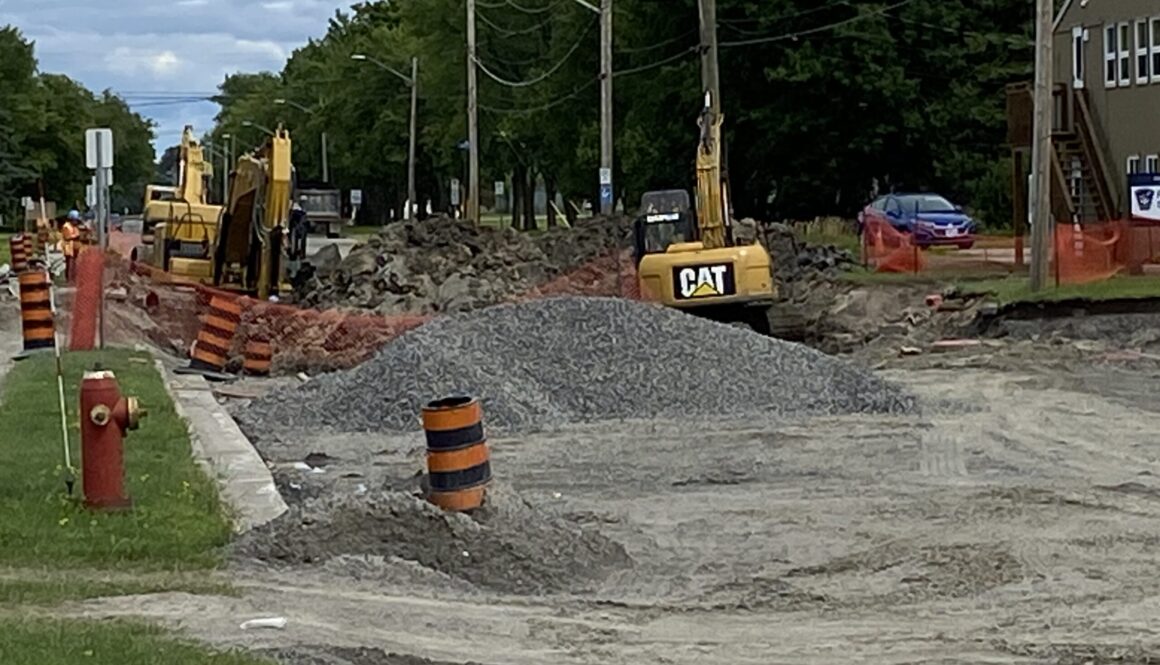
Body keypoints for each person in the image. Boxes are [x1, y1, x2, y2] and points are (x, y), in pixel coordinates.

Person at [61, 210, 82, 283]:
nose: (76, 222)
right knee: (69, 264)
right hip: (68, 248)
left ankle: (74, 278)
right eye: (75, 220)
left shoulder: (74, 227)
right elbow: (67, 237)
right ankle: (68, 279)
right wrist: (76, 236)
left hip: (74, 248)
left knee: (75, 264)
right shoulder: (66, 226)